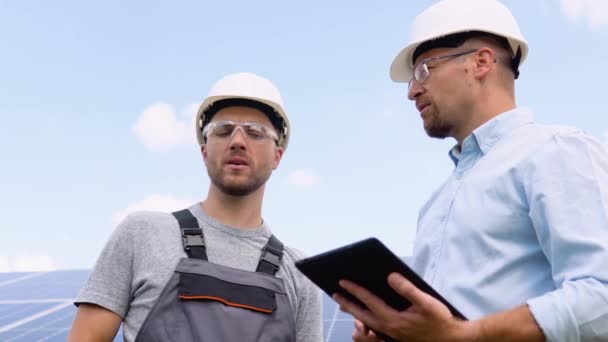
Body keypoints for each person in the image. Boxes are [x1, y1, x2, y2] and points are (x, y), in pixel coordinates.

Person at [333, 0, 608, 341]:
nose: (412, 91)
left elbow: (602, 295)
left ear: (480, 62)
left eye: (423, 70)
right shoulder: (433, 206)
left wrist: (467, 334)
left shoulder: (556, 151)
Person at [68, 72, 323, 342]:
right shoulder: (141, 234)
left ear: (277, 156)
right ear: (204, 152)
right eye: (223, 130)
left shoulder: (299, 275)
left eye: (255, 132)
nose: (237, 141)